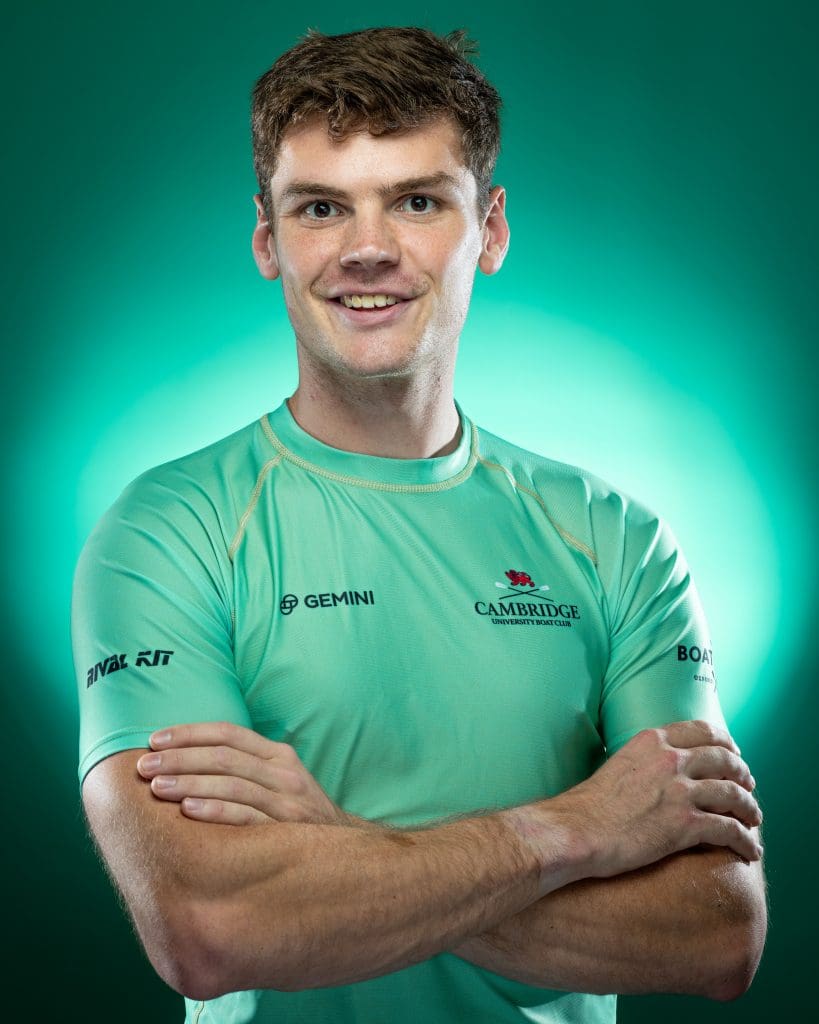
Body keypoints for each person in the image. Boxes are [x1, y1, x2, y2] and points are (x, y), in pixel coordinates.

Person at [73, 26, 767, 1024]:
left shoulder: (615, 537)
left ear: (490, 228)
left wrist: (335, 846)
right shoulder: (167, 533)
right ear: (268, 241)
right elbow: (208, 927)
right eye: (321, 207)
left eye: (416, 201)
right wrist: (578, 829)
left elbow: (715, 933)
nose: (367, 249)